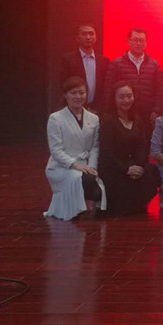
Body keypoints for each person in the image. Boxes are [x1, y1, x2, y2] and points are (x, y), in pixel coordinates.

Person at [44, 76, 106, 221]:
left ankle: (86, 202)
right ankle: (78, 206)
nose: (78, 96)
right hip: (61, 166)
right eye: (73, 93)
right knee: (81, 179)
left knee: (95, 182)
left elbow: (94, 146)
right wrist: (74, 164)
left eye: (81, 93)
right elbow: (56, 150)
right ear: (65, 95)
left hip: (85, 164)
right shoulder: (55, 118)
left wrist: (92, 167)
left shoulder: (94, 118)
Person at [98, 81, 160, 215]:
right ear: (114, 99)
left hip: (134, 166)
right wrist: (126, 169)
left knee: (151, 171)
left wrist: (138, 166)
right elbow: (107, 152)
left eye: (129, 96)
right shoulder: (107, 120)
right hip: (115, 168)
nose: (126, 100)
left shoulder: (137, 119)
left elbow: (143, 147)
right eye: (121, 97)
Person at [104, 28, 163, 132]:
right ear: (128, 42)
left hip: (148, 115)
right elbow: (108, 90)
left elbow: (160, 90)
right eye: (135, 40)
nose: (138, 43)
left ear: (146, 43)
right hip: (123, 115)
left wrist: (157, 110)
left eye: (141, 40)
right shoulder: (116, 64)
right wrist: (107, 112)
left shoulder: (154, 65)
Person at [58, 23, 109, 113]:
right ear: (77, 38)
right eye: (84, 34)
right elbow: (63, 85)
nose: (88, 37)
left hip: (97, 109)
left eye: (91, 34)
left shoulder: (104, 61)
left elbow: (105, 87)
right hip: (74, 108)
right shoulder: (68, 60)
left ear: (96, 38)